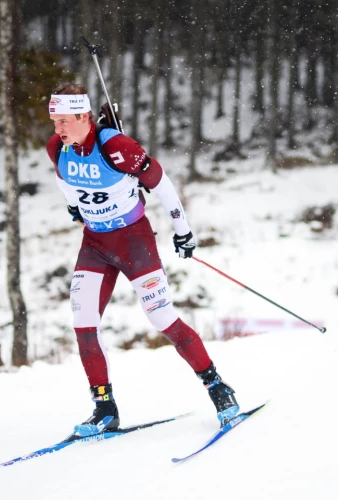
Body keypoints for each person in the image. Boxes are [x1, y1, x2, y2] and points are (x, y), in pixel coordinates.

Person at [45, 84, 239, 435]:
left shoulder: (117, 147)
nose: (57, 129)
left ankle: (218, 388)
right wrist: (75, 205)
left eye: (63, 121)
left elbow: (161, 184)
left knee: (163, 319)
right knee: (83, 324)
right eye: (53, 120)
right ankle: (104, 408)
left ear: (83, 116)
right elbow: (64, 180)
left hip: (134, 241)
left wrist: (183, 231)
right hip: (95, 243)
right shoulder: (57, 148)